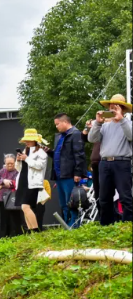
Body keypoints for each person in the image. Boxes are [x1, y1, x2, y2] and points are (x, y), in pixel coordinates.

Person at [87, 94, 133, 225]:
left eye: (116, 107)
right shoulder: (105, 126)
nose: (112, 109)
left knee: (125, 196)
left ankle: (128, 225)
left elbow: (131, 136)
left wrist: (121, 119)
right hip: (105, 162)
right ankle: (106, 225)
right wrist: (97, 122)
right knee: (104, 197)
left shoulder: (128, 124)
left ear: (123, 109)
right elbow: (92, 139)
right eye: (111, 107)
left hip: (122, 162)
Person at [52, 113, 87, 228]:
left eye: (57, 124)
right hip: (59, 175)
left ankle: (75, 225)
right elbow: (59, 155)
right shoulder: (59, 136)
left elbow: (79, 155)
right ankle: (66, 225)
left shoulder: (75, 134)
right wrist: (48, 151)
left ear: (65, 122)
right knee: (63, 204)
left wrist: (78, 173)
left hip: (70, 175)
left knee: (72, 202)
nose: (56, 126)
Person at [15, 129, 49, 233]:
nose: (27, 142)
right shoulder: (25, 151)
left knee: (26, 206)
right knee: (23, 207)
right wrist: (18, 160)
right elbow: (19, 169)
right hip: (22, 181)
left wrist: (26, 159)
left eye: (29, 140)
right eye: (26, 140)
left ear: (35, 140)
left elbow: (40, 166)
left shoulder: (41, 152)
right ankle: (30, 231)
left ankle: (35, 230)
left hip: (33, 183)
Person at [0, 154, 20, 239]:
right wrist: (3, 181)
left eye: (11, 163)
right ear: (5, 163)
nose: (9, 165)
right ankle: (5, 237)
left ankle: (16, 236)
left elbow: (15, 183)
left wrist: (1, 186)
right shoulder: (2, 171)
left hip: (13, 198)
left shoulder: (17, 170)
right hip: (2, 198)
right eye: (7, 163)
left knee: (14, 218)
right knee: (3, 219)